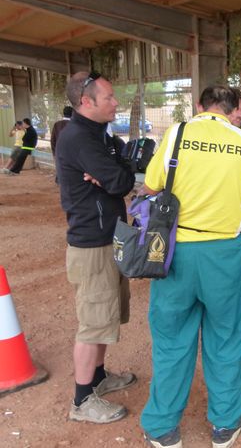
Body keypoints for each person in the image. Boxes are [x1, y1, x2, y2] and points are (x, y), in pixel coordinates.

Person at [140, 85, 241, 448]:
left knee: (171, 339)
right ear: (233, 109)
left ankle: (163, 426)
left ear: (199, 106)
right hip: (224, 254)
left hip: (176, 251)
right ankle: (225, 423)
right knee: (227, 338)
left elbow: (152, 185)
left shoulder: (176, 133)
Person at [57, 71, 137, 423]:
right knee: (92, 321)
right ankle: (81, 400)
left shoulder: (100, 138)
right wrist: (113, 174)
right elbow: (121, 181)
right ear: (86, 102)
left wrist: (113, 171)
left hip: (110, 237)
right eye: (109, 97)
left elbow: (127, 166)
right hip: (91, 243)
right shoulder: (79, 138)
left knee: (106, 315)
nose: (116, 102)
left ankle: (99, 378)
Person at [51, 105, 74, 183]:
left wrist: (54, 152)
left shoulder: (57, 124)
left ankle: (59, 180)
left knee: (60, 165)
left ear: (63, 113)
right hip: (71, 151)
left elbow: (53, 140)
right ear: (73, 114)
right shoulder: (74, 124)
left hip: (59, 150)